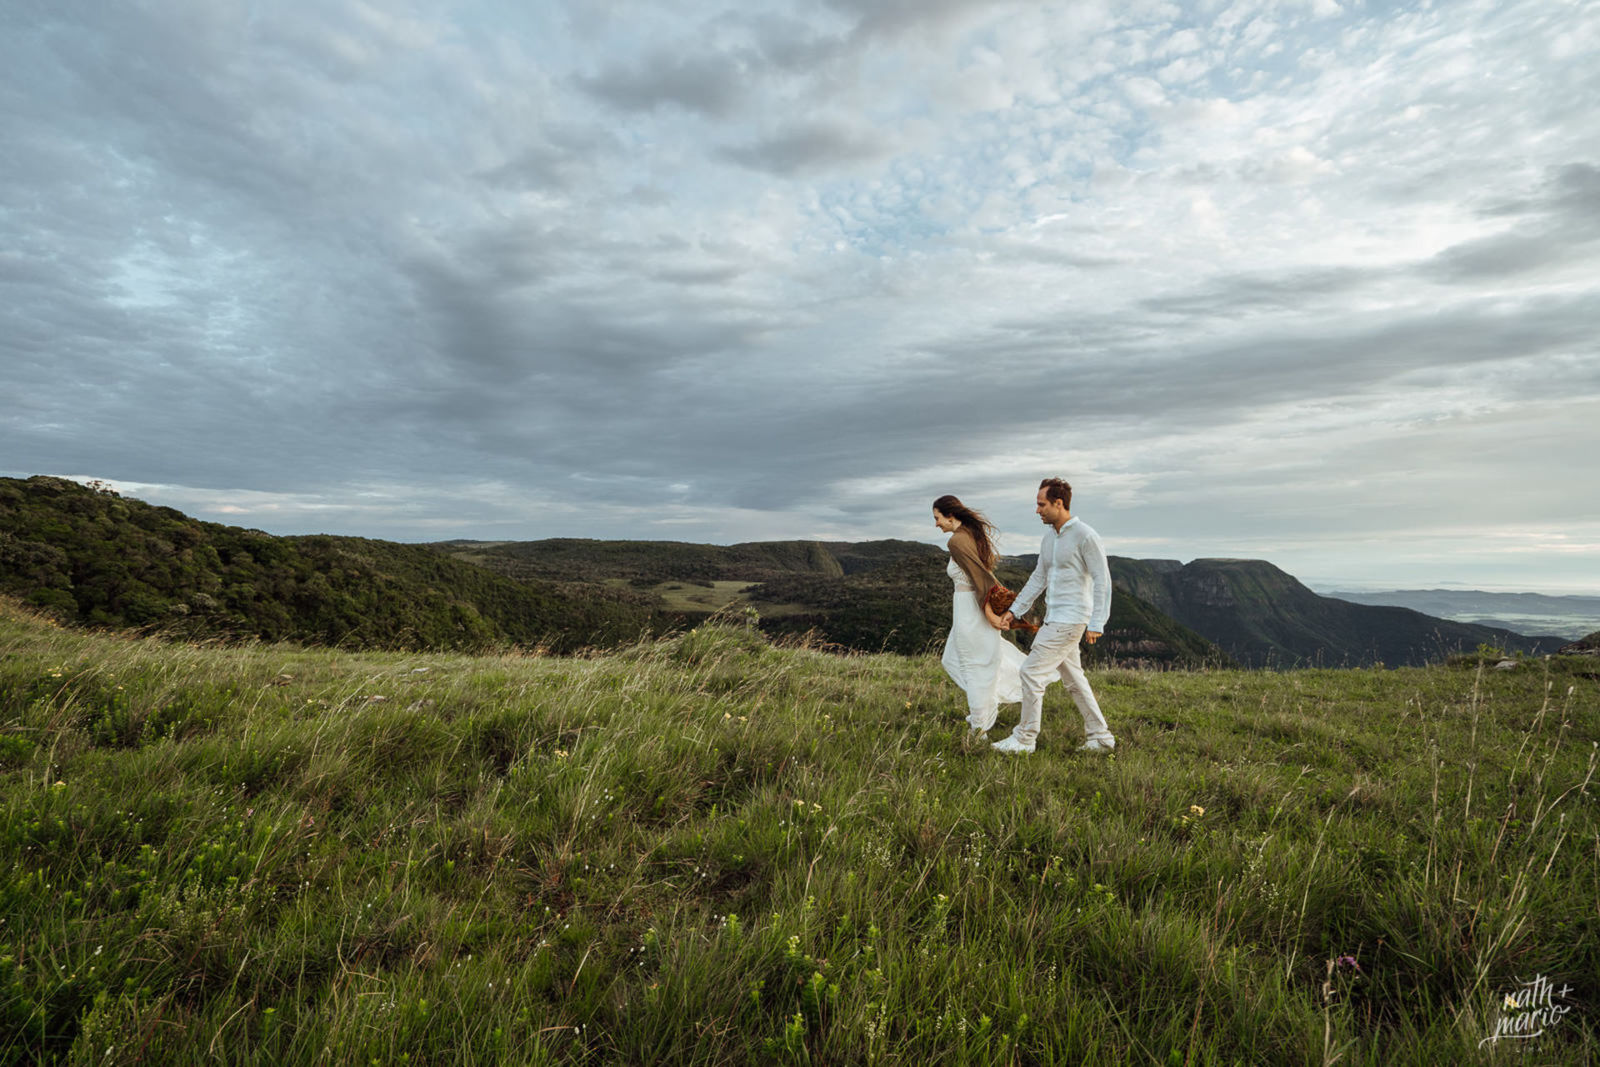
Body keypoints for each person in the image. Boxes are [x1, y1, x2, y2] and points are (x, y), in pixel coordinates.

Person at [994, 478, 1115, 754]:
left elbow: (1102, 579)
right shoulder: (1049, 537)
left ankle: (1025, 739)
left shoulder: (1085, 535)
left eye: (1041, 504)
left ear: (1058, 504)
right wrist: (1014, 611)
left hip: (1071, 619)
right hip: (1054, 616)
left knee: (1031, 672)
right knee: (1074, 679)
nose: (1037, 510)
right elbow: (1039, 578)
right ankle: (1101, 736)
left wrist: (1097, 622)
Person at [932, 494, 1031, 736]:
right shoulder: (970, 535)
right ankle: (984, 707)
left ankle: (979, 727)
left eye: (937, 518)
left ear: (950, 516)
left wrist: (989, 614)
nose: (936, 524)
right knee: (954, 660)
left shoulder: (956, 541)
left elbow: (981, 580)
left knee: (974, 665)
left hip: (970, 609)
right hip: (967, 608)